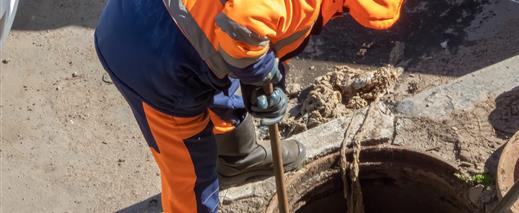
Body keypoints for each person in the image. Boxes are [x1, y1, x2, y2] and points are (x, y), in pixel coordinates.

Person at [93, 0, 402, 212]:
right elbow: (241, 28)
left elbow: (258, 30)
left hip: (167, 23)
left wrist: (267, 81)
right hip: (149, 58)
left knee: (227, 92)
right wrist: (261, 71)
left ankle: (237, 160)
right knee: (188, 177)